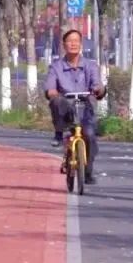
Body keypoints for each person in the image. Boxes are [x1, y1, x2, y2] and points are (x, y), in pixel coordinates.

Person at [44, 29, 106, 184]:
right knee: (57, 101)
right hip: (65, 109)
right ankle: (59, 133)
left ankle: (88, 171)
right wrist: (52, 91)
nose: (73, 44)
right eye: (70, 41)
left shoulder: (91, 66)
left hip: (85, 108)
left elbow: (97, 85)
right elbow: (50, 87)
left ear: (81, 44)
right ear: (64, 45)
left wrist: (98, 89)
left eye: (76, 41)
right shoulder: (56, 67)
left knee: (89, 135)